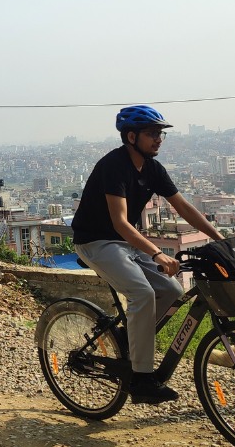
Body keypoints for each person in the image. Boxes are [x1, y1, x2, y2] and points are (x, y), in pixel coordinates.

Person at [71, 105, 225, 405]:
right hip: (96, 242)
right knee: (142, 293)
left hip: (125, 244)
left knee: (171, 290)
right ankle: (141, 380)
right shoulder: (114, 165)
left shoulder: (153, 168)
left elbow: (184, 208)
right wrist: (157, 253)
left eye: (160, 134)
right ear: (131, 136)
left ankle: (128, 338)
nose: (158, 139)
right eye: (152, 133)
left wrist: (221, 239)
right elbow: (119, 222)